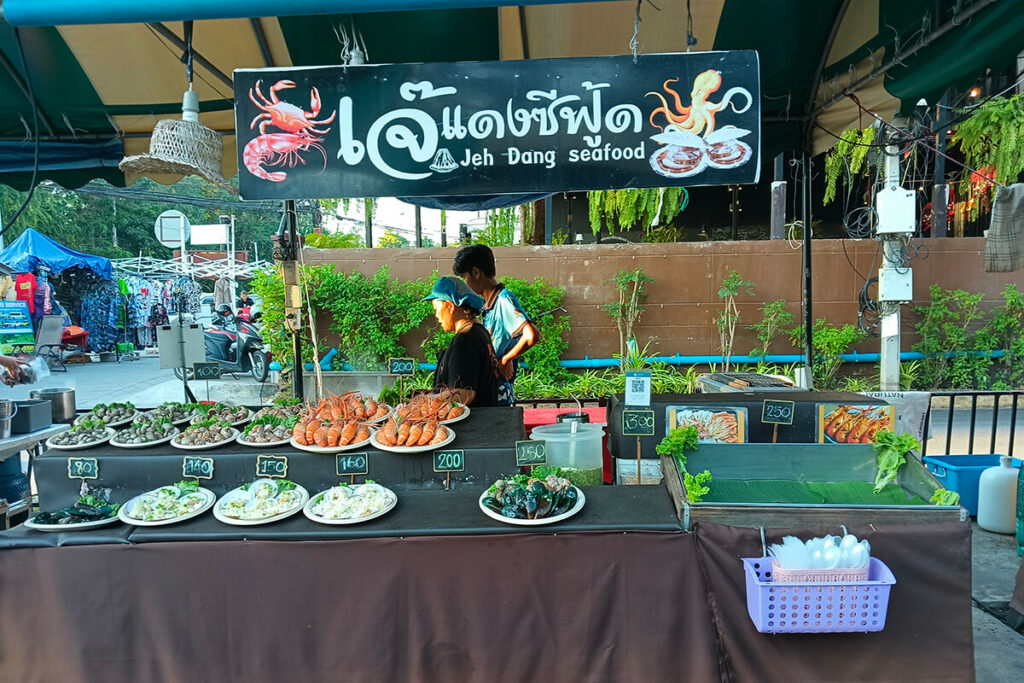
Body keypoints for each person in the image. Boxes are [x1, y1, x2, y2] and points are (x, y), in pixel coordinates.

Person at [453, 244, 539, 405]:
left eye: (465, 278)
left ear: (476, 272)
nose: (465, 284)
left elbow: (532, 334)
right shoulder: (486, 305)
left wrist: (506, 359)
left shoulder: (503, 300)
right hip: (490, 391)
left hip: (500, 395)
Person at [423, 276, 499, 408]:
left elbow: (464, 394)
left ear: (450, 306)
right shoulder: (480, 332)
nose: (436, 316)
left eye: (437, 310)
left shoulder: (465, 339)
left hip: (472, 425)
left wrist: (425, 400)